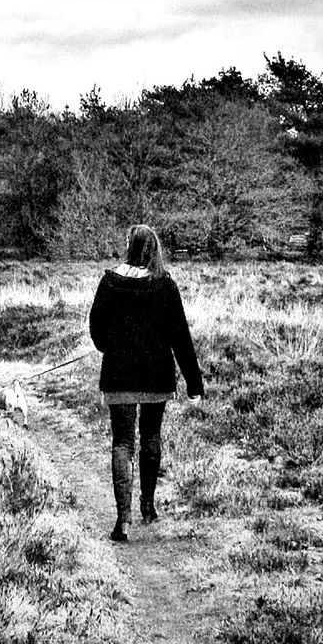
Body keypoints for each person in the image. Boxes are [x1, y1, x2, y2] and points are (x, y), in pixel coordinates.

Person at [88, 223, 204, 543]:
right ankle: (148, 508)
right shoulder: (165, 285)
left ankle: (122, 521)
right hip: (156, 376)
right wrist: (194, 383)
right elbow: (181, 337)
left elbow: (96, 329)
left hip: (119, 374)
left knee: (122, 443)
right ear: (154, 249)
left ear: (129, 246)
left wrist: (111, 347)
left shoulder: (109, 282)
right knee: (151, 436)